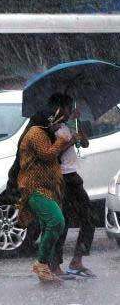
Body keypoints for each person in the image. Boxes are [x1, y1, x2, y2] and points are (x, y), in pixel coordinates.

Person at [16, 109, 74, 284]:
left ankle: (45, 268)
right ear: (48, 121)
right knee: (57, 222)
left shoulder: (44, 132)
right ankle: (41, 264)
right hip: (36, 188)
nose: (58, 126)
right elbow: (47, 154)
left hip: (48, 187)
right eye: (56, 122)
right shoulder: (36, 133)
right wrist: (62, 141)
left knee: (50, 226)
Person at [48, 94, 96, 278]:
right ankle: (54, 266)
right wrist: (70, 141)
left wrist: (80, 134)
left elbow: (84, 144)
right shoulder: (51, 129)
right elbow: (52, 154)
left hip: (73, 178)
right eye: (67, 108)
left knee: (89, 218)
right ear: (59, 109)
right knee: (62, 222)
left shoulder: (67, 126)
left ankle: (77, 260)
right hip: (61, 179)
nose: (70, 111)